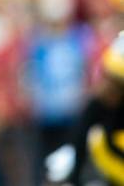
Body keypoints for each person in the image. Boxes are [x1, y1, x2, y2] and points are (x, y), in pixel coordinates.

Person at [45, 31, 124, 185]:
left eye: (116, 84)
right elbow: (78, 141)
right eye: (105, 77)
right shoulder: (97, 107)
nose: (104, 88)